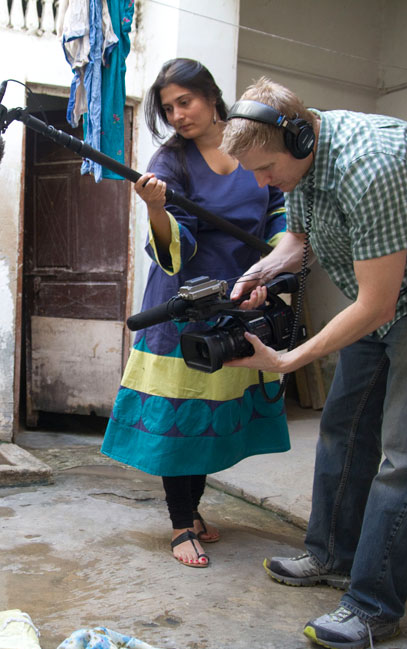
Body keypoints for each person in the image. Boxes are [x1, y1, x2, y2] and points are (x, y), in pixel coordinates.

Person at [220, 77, 407, 649]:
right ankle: (329, 554)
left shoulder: (373, 165)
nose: (261, 182)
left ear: (297, 139)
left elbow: (378, 304)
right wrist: (259, 273)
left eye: (266, 169)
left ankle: (374, 605)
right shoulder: (300, 156)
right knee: (344, 427)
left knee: (405, 454)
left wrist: (290, 358)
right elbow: (297, 241)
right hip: (382, 296)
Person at [101, 59, 291, 569]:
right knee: (183, 413)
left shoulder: (252, 144)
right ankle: (181, 523)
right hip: (183, 306)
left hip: (239, 299)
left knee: (211, 412)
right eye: (168, 108)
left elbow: (278, 213)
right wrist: (157, 210)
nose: (178, 115)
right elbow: (174, 249)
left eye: (185, 101)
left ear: (211, 97)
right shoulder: (170, 163)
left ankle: (196, 511)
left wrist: (270, 273)